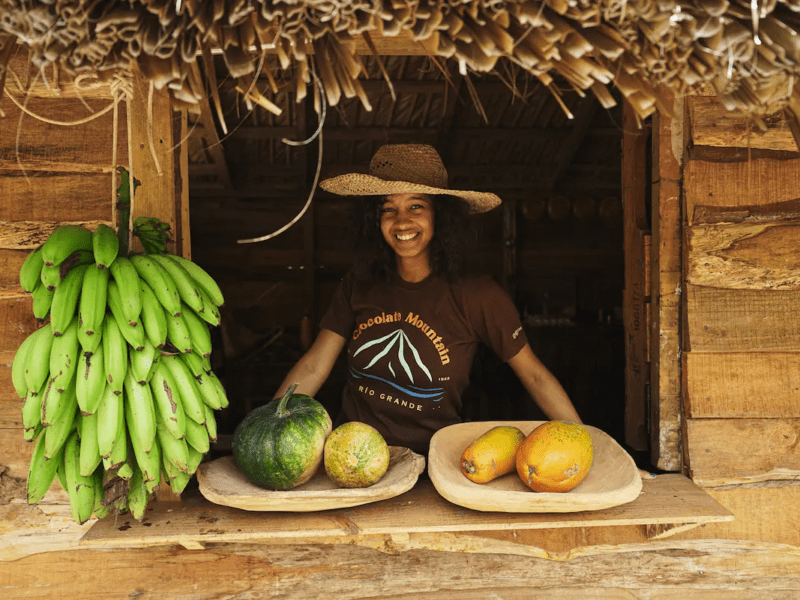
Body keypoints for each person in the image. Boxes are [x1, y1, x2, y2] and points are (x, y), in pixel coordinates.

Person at [274, 144, 582, 457]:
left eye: (416, 207)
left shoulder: (478, 296)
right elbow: (314, 366)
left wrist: (583, 444)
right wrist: (268, 428)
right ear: (373, 220)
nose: (401, 221)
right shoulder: (359, 284)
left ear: (440, 216)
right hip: (350, 457)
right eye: (388, 209)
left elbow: (535, 376)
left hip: (431, 464)